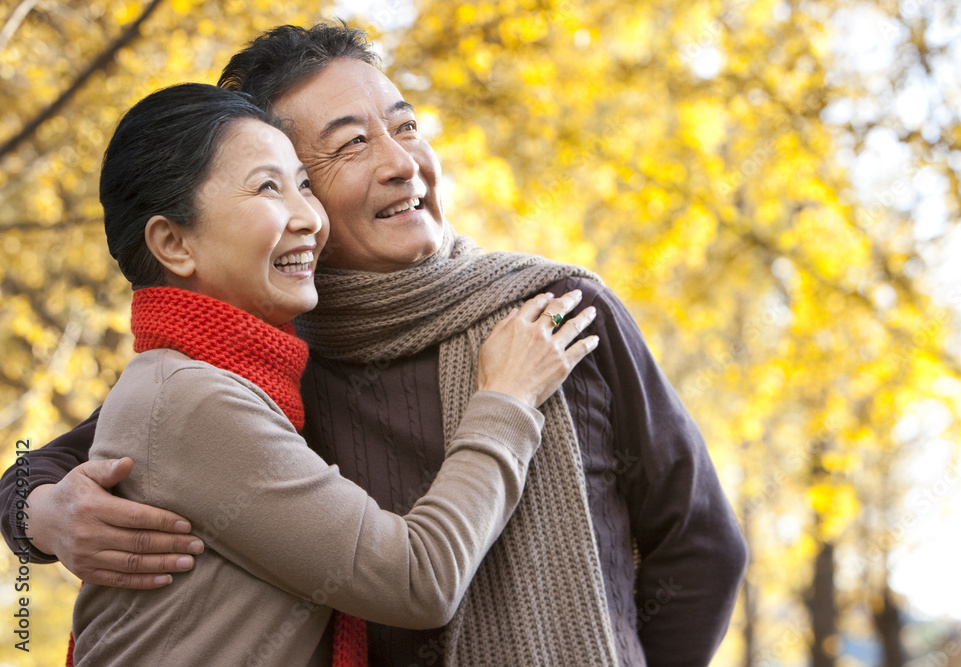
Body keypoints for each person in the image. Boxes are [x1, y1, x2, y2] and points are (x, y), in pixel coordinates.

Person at [0, 21, 748, 666]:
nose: (401, 162)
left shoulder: (556, 311)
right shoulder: (267, 359)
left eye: (407, 126)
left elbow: (703, 546)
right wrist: (43, 512)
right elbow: (62, 460)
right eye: (352, 145)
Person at [64, 81, 598, 665]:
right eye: (268, 187)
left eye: (304, 186)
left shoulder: (208, 376)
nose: (310, 219)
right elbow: (418, 580)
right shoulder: (190, 397)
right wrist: (506, 400)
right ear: (173, 242)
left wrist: (31, 506)